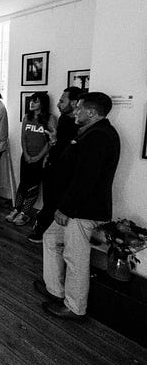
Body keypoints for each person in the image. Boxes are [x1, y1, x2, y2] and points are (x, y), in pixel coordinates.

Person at [35, 92, 120, 320]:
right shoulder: (91, 132)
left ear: (91, 112)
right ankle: (55, 289)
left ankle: (75, 307)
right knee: (51, 238)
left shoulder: (99, 136)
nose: (75, 111)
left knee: (76, 258)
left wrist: (66, 209)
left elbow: (86, 179)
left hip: (82, 209)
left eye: (79, 108)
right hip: (74, 206)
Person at [27, 86, 83, 243]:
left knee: (55, 201)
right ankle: (45, 230)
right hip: (52, 166)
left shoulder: (80, 125)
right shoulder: (64, 119)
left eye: (62, 101)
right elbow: (58, 143)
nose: (58, 104)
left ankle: (48, 232)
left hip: (65, 170)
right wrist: (50, 150)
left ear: (74, 103)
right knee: (49, 199)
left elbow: (71, 150)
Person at [6, 92, 57, 226]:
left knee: (33, 187)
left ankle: (24, 213)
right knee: (23, 184)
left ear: (43, 104)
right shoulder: (27, 117)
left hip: (40, 159)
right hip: (26, 157)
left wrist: (38, 157)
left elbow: (50, 141)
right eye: (31, 101)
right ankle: (16, 209)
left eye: (36, 101)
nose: (32, 103)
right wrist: (26, 155)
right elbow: (23, 137)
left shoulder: (50, 118)